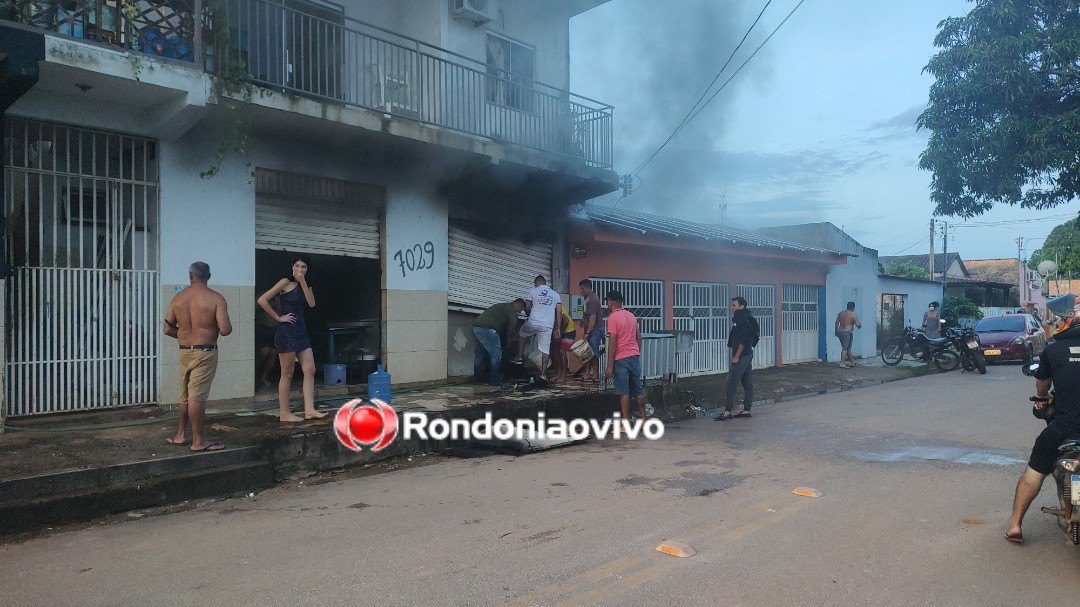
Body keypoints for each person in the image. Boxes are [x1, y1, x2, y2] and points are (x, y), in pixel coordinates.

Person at [1006, 303, 1080, 544]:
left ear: (1068, 322)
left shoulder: (1054, 350)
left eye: (1059, 320)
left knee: (1034, 472)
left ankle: (1015, 526)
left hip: (1063, 429)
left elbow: (1042, 386)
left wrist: (1041, 397)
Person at [164, 261, 232, 452]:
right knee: (197, 396)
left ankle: (180, 435)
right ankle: (198, 441)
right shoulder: (216, 299)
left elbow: (167, 328)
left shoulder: (178, 298)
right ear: (208, 276)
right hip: (205, 352)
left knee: (185, 395)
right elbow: (225, 330)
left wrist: (185, 335)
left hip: (184, 350)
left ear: (190, 276)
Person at [257, 258, 327, 423]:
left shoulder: (307, 285)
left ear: (307, 269)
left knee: (310, 369)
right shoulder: (285, 282)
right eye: (297, 265)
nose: (300, 269)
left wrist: (302, 282)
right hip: (286, 332)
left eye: (303, 266)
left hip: (301, 331)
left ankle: (309, 410)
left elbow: (311, 303)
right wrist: (278, 318)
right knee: (287, 373)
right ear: (292, 267)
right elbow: (262, 300)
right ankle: (284, 413)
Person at [603, 290, 647, 421]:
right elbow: (639, 338)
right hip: (634, 356)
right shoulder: (631, 316)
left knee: (624, 392)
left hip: (621, 358)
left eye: (608, 301)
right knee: (638, 390)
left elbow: (612, 342)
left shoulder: (612, 318)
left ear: (611, 302)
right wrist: (636, 352)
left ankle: (626, 423)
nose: (607, 304)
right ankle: (644, 419)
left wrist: (609, 366)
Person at [716, 296, 758, 421]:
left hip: (742, 355)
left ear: (741, 306)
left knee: (731, 381)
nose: (732, 308)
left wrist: (736, 356)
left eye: (734, 305)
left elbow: (744, 339)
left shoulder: (742, 318)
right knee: (747, 381)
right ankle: (746, 410)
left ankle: (727, 411)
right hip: (747, 354)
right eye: (732, 305)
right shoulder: (746, 317)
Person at [511, 275, 563, 374]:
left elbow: (527, 307)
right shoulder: (555, 294)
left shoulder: (533, 291)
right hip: (547, 325)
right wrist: (558, 329)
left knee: (522, 333)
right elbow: (559, 312)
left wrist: (528, 315)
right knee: (545, 350)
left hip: (533, 321)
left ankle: (520, 357)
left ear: (536, 283)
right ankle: (543, 374)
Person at [472, 298, 526, 386]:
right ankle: (494, 379)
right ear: (519, 305)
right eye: (521, 309)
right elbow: (511, 328)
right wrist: (510, 341)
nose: (520, 312)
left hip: (476, 328)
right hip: (489, 330)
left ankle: (477, 377)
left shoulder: (501, 305)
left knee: (481, 353)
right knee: (496, 354)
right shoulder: (512, 311)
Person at [576, 279, 604, 383]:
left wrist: (587, 333)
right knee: (587, 352)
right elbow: (587, 314)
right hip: (589, 328)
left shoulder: (592, 299)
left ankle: (595, 374)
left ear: (588, 287)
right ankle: (587, 372)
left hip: (595, 329)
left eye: (582, 288)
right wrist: (583, 321)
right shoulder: (586, 299)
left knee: (594, 352)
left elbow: (592, 318)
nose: (581, 291)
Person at [255, 293, 280, 390]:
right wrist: (268, 305)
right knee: (264, 351)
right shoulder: (261, 297)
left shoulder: (279, 298)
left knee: (273, 353)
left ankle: (263, 376)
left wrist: (277, 304)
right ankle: (255, 372)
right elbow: (255, 307)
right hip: (262, 328)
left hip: (274, 329)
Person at [551, 306, 576, 383]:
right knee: (556, 351)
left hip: (569, 330)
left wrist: (560, 333)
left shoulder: (556, 307)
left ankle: (563, 375)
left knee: (562, 351)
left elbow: (566, 320)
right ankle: (559, 373)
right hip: (559, 330)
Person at [835, 301, 862, 368]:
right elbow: (858, 325)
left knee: (847, 348)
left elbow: (836, 323)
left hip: (840, 331)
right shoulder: (852, 314)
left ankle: (853, 362)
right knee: (845, 348)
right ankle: (842, 363)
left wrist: (836, 331)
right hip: (847, 332)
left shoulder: (840, 313)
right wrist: (859, 325)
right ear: (853, 307)